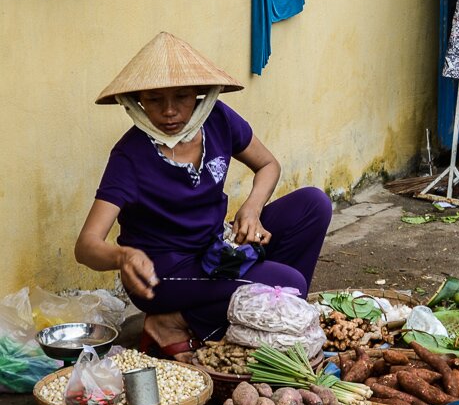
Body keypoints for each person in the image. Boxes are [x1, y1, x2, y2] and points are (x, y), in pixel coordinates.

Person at [75, 32, 332, 357]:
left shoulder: (219, 119)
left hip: (214, 251)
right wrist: (121, 256)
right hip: (163, 274)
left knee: (313, 205)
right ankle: (171, 321)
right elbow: (86, 246)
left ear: (200, 94)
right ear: (138, 101)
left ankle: (264, 316)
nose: (169, 111)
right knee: (289, 282)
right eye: (154, 100)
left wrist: (252, 209)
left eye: (181, 97)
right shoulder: (130, 156)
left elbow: (268, 165)